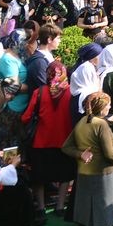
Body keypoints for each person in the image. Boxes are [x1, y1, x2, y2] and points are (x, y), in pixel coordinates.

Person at [63, 90, 113, 226]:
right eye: (108, 105)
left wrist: (80, 154)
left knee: (84, 211)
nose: (110, 107)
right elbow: (109, 153)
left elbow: (66, 146)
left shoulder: (83, 121)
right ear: (102, 107)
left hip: (84, 173)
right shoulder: (101, 125)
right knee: (102, 210)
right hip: (103, 174)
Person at [22, 58, 75, 217]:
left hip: (41, 142)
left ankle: (41, 208)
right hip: (65, 142)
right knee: (65, 175)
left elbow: (25, 118)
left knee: (39, 177)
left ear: (48, 74)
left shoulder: (39, 92)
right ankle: (60, 206)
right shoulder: (72, 92)